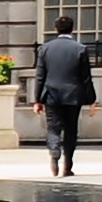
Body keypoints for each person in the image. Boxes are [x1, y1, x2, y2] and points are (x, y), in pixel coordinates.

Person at [36, 14, 96, 176]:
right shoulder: (80, 49)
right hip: (73, 95)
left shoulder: (45, 49)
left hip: (51, 94)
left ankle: (54, 151)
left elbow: (40, 76)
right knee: (71, 130)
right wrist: (92, 100)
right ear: (73, 29)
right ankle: (67, 165)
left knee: (53, 128)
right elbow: (86, 77)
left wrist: (37, 100)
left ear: (56, 29)